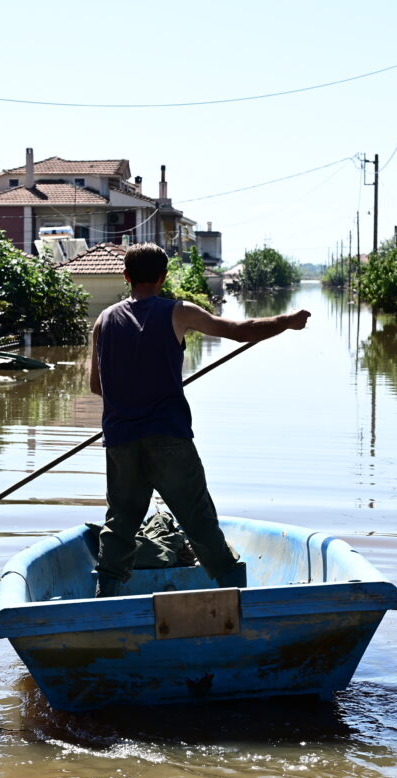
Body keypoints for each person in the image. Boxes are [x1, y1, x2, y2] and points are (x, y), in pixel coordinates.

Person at [89, 243, 310, 597]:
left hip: (121, 441)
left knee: (120, 526)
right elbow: (241, 329)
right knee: (199, 522)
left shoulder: (103, 321)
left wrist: (132, 396)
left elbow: (96, 386)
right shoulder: (178, 312)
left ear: (126, 277)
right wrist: (286, 322)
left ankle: (104, 600)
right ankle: (236, 599)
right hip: (169, 439)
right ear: (163, 277)